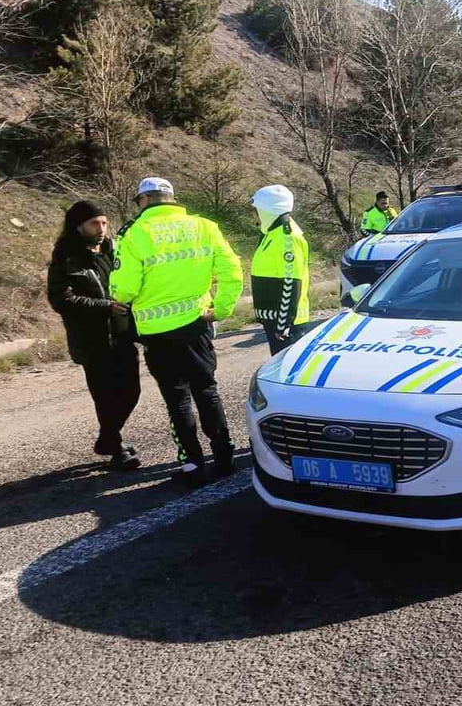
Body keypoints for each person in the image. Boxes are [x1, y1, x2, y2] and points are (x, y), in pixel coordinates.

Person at [110, 177, 244, 487]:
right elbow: (232, 271)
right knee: (207, 391)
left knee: (178, 399)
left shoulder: (135, 234)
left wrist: (117, 293)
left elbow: (124, 290)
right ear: (171, 198)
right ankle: (224, 456)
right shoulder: (204, 226)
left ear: (144, 200)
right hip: (197, 324)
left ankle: (192, 465)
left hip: (157, 332)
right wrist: (221, 309)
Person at [47, 201, 142, 472]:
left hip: (122, 334)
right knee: (105, 397)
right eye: (94, 224)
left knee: (131, 392)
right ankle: (116, 448)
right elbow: (61, 299)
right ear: (78, 227)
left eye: (104, 223)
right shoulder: (66, 258)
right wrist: (105, 307)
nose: (101, 229)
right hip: (91, 340)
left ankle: (108, 438)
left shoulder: (114, 251)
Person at [250, 184, 310, 355]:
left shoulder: (287, 238)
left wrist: (283, 323)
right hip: (275, 319)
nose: (254, 214)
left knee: (286, 368)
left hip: (285, 323)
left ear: (267, 210)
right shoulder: (271, 233)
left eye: (257, 210)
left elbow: (291, 282)